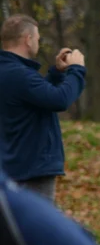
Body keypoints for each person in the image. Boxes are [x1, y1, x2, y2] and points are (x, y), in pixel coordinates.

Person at [0, 14, 86, 202]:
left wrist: (56, 74)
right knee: (33, 227)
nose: (38, 43)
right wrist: (76, 70)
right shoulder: (20, 75)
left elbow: (35, 99)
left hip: (14, 165)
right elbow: (60, 100)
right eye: (38, 38)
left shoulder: (9, 71)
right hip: (31, 169)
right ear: (28, 40)